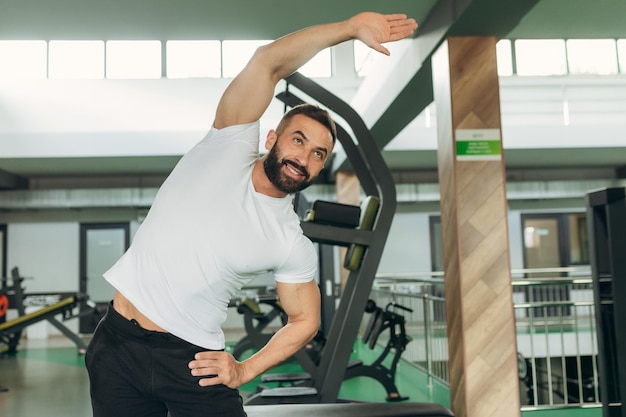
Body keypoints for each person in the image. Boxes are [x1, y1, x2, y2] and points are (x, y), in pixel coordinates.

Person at [85, 11, 417, 417]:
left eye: (318, 154)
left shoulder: (290, 240)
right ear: (272, 137)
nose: (304, 158)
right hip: (115, 343)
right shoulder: (226, 147)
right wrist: (348, 30)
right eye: (298, 140)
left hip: (193, 361)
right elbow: (267, 62)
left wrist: (245, 369)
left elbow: (305, 320)